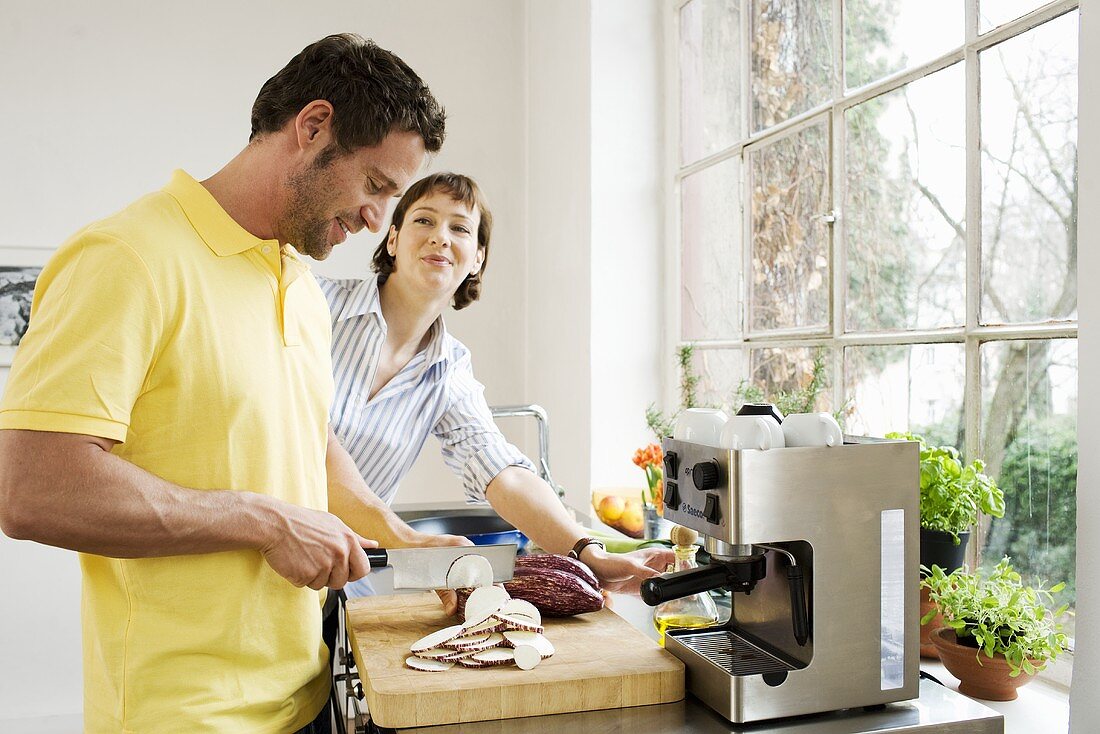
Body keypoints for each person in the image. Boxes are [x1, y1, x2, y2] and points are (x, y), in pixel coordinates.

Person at [0, 34, 464, 734]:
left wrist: (401, 537)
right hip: (185, 719)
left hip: (302, 698)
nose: (378, 221)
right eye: (375, 186)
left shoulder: (299, 281)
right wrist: (265, 520)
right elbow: (31, 488)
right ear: (313, 129)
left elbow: (306, 436)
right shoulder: (127, 257)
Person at [319, 172, 674, 595]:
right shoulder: (318, 304)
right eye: (424, 221)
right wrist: (410, 540)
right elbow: (305, 442)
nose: (440, 238)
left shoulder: (449, 370)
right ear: (392, 240)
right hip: (256, 559)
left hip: (342, 580)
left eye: (460, 228)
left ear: (478, 259)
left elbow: (500, 469)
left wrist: (589, 552)